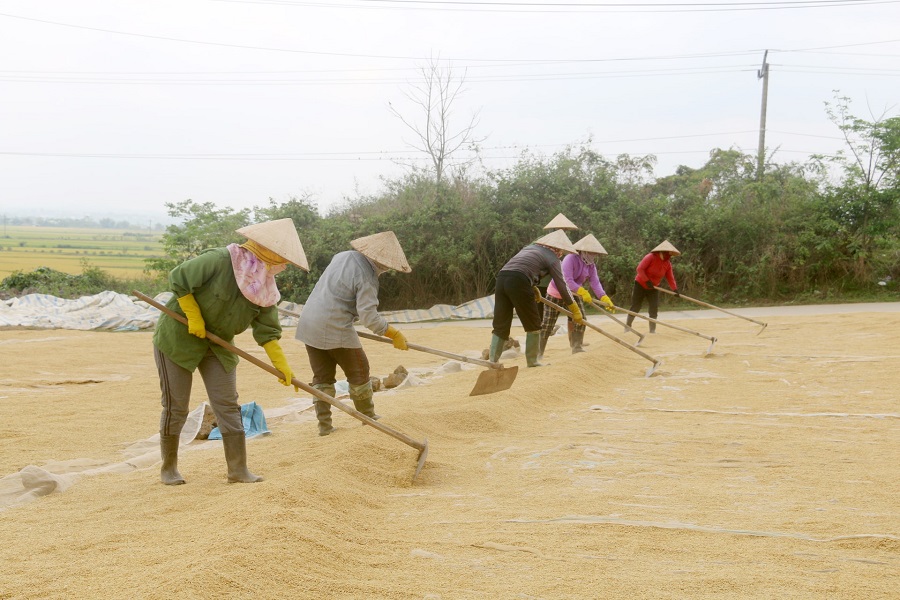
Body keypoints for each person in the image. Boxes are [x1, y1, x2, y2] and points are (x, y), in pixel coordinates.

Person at [153, 218, 308, 485]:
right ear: (267, 250)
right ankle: (169, 467)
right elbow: (179, 278)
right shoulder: (220, 259)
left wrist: (281, 365)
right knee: (176, 406)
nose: (283, 266)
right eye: (282, 258)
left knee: (227, 404)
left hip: (218, 344)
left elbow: (267, 330)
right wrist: (193, 315)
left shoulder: (265, 286)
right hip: (179, 338)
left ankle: (238, 470)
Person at [295, 231, 411, 437]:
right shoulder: (367, 277)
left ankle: (325, 426)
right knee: (359, 370)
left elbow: (340, 292)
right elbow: (369, 318)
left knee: (322, 376)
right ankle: (368, 417)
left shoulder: (342, 256)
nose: (386, 270)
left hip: (308, 321)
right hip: (334, 326)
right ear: (382, 263)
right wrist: (393, 333)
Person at [490, 229, 582, 368]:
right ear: (557, 248)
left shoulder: (529, 248)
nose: (561, 253)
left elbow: (520, 267)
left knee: (501, 324)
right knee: (533, 323)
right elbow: (562, 285)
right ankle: (533, 361)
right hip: (519, 280)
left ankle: (492, 362)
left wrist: (532, 286)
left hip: (502, 278)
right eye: (561, 251)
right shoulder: (552, 257)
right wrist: (574, 307)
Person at [539, 234, 614, 355]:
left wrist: (603, 297)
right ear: (583, 251)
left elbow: (595, 282)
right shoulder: (570, 259)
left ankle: (576, 346)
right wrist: (582, 291)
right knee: (548, 323)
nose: (593, 256)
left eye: (595, 253)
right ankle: (539, 352)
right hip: (557, 292)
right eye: (591, 253)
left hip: (573, 294)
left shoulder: (591, 265)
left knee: (581, 319)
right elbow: (566, 280)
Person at [625, 240, 681, 334]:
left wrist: (674, 289)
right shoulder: (650, 257)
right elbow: (639, 269)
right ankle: (627, 326)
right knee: (636, 306)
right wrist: (646, 280)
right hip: (640, 284)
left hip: (654, 288)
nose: (670, 256)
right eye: (668, 254)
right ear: (663, 252)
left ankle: (652, 330)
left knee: (653, 308)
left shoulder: (667, 264)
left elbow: (670, 278)